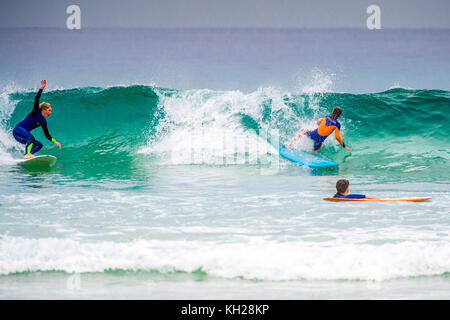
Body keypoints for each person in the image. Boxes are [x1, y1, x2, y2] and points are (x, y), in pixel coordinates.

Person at [13, 80, 61, 159]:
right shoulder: (36, 111)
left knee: (39, 144)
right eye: (49, 110)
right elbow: (36, 99)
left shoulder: (43, 121)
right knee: (31, 138)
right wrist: (41, 88)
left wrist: (55, 141)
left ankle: (29, 155)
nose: (50, 112)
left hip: (23, 136)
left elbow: (47, 134)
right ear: (44, 109)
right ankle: (27, 154)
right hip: (18, 130)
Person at [287, 106, 352, 153]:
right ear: (339, 115)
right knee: (319, 146)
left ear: (332, 112)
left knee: (304, 131)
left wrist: (320, 124)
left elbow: (318, 122)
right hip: (320, 140)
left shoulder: (326, 117)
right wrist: (344, 146)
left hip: (313, 134)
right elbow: (337, 137)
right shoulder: (337, 125)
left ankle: (290, 146)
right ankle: (311, 153)